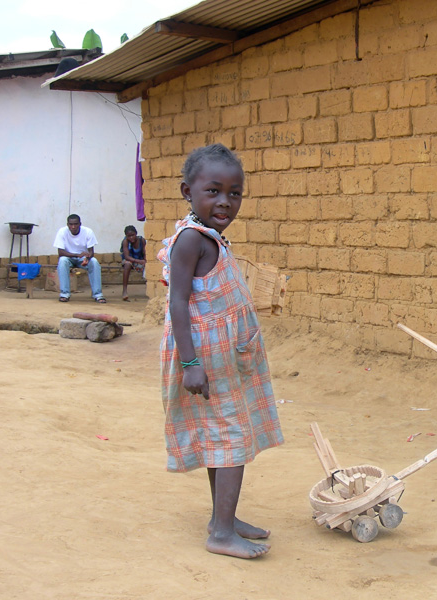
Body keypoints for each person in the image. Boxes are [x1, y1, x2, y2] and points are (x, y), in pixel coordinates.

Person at [158, 144, 283, 559]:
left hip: (224, 357)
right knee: (230, 438)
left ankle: (221, 519)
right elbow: (178, 303)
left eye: (234, 192)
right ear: (187, 191)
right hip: (204, 359)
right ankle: (222, 534)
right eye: (213, 191)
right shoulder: (190, 241)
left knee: (222, 435)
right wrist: (190, 364)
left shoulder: (210, 237)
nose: (225, 201)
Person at [53, 214, 106, 303]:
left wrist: (87, 258)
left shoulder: (88, 232)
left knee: (94, 262)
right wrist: (77, 255)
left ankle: (98, 294)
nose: (73, 227)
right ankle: (64, 294)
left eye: (75, 224)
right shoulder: (62, 232)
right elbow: (61, 253)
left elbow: (91, 252)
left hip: (83, 259)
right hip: (68, 258)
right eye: (71, 224)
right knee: (62, 261)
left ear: (80, 224)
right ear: (67, 224)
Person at [120, 225, 146, 301]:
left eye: (133, 235)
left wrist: (145, 260)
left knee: (149, 266)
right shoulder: (125, 242)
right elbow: (127, 256)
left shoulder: (142, 240)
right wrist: (138, 261)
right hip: (130, 260)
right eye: (129, 236)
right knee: (127, 264)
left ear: (136, 233)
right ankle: (124, 291)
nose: (131, 237)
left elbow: (145, 253)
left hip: (140, 260)